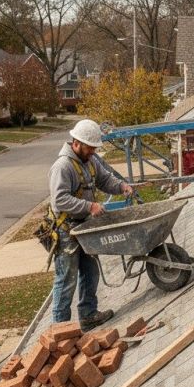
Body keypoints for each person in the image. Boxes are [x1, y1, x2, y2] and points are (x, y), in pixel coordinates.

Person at [47, 118, 133, 330]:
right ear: (76, 143)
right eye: (90, 147)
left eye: (95, 148)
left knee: (91, 272)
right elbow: (59, 200)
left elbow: (105, 180)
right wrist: (89, 206)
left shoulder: (90, 161)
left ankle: (88, 315)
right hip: (66, 230)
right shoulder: (63, 166)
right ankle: (60, 331)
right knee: (66, 281)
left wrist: (121, 186)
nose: (93, 151)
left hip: (84, 228)